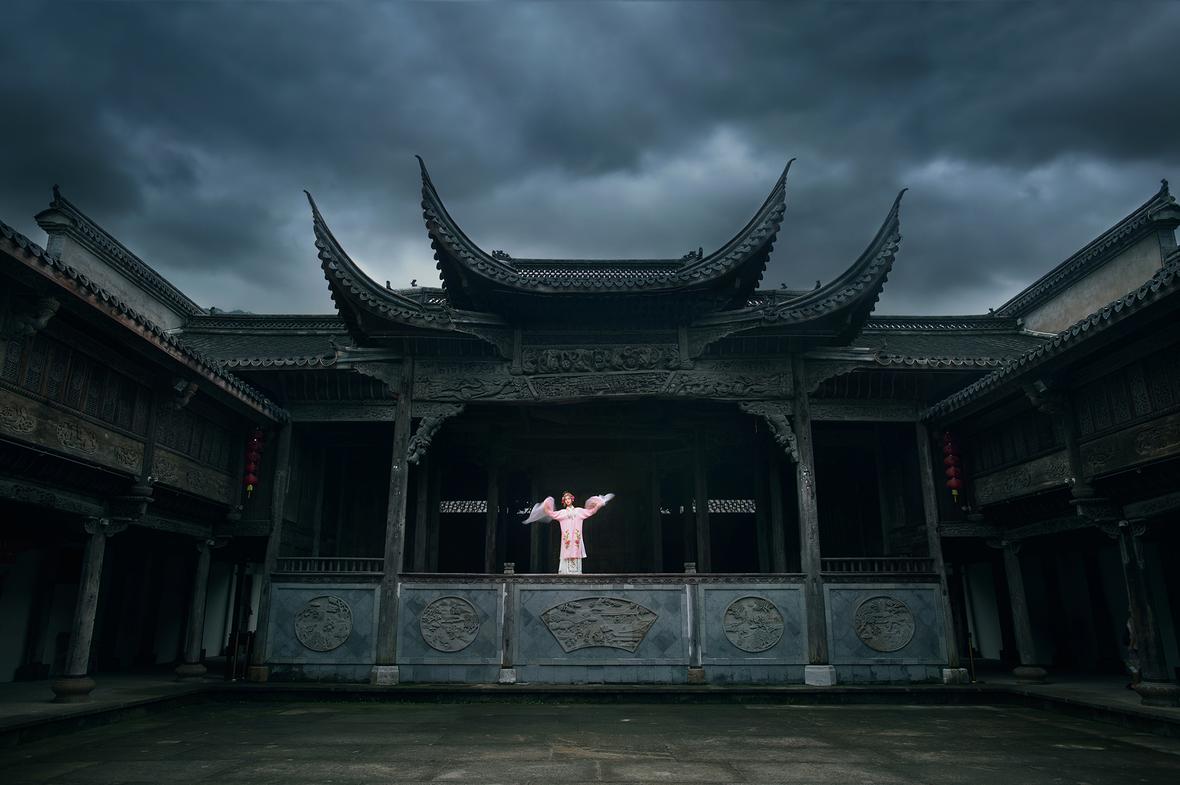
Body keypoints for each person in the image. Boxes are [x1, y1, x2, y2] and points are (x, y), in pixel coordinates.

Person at [522, 491, 614, 575]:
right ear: (564, 502)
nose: (567, 500)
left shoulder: (579, 511)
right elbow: (551, 513)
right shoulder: (562, 513)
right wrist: (546, 505)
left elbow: (591, 511)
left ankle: (576, 571)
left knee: (576, 550)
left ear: (572, 499)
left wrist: (598, 505)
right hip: (567, 542)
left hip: (576, 541)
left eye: (569, 498)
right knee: (566, 550)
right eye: (565, 499)